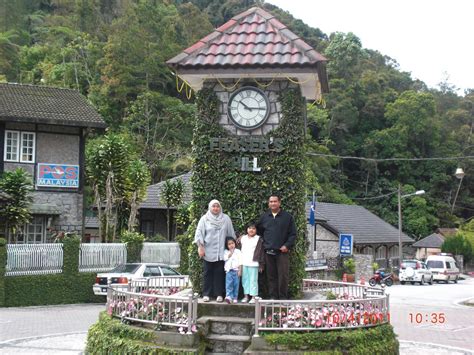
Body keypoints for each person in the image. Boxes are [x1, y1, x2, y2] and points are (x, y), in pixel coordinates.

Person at [194, 199, 235, 302]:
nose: (216, 208)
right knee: (208, 273)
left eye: (217, 206)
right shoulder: (204, 219)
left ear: (220, 207)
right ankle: (206, 294)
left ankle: (219, 294)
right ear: (210, 207)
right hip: (208, 251)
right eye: (213, 206)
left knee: (220, 273)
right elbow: (199, 234)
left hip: (221, 252)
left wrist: (233, 246)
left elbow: (230, 234)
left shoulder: (226, 218)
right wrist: (200, 247)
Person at [257, 194, 296, 299]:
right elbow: (258, 231)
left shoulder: (287, 217)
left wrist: (287, 245)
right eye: (271, 202)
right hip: (268, 252)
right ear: (268, 203)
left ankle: (283, 298)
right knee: (271, 276)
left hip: (282, 252)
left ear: (279, 202)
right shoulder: (264, 217)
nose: (273, 203)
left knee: (283, 276)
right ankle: (273, 297)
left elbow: (293, 234)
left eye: (275, 201)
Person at [239, 222, 261, 303]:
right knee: (245, 280)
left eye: (253, 228)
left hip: (254, 264)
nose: (251, 230)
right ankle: (246, 296)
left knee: (253, 280)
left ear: (256, 230)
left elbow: (261, 253)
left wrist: (261, 265)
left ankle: (254, 297)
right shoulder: (243, 238)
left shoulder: (259, 239)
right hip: (244, 263)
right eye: (250, 228)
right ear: (247, 229)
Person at [223, 236, 242, 304]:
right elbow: (224, 258)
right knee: (228, 284)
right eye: (229, 244)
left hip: (236, 271)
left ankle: (235, 297)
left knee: (236, 284)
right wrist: (230, 254)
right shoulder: (225, 252)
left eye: (232, 243)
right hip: (229, 271)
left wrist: (240, 270)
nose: (231, 245)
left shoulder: (238, 251)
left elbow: (240, 261)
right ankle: (228, 296)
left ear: (235, 244)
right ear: (227, 245)